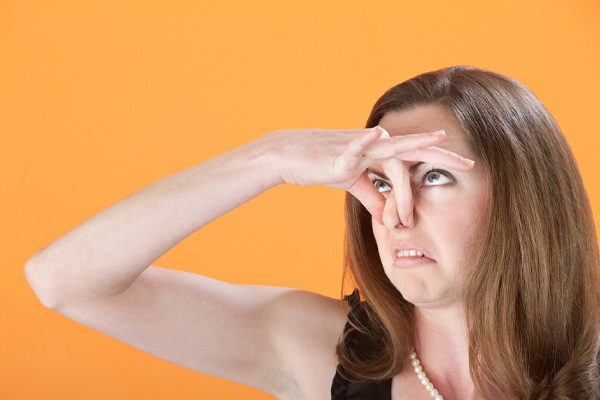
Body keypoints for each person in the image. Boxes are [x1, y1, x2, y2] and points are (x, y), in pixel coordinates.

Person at [24, 65, 600, 400]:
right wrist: (268, 157)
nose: (396, 211)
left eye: (433, 176)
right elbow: (64, 281)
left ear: (524, 200)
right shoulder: (322, 351)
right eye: (379, 179)